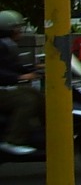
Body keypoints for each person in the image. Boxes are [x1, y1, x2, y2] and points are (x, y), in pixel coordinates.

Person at [0, 11, 45, 155]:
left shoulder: (7, 44)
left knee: (37, 95)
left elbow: (12, 65)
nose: (20, 30)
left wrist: (35, 68)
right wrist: (18, 77)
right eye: (17, 27)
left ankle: (48, 132)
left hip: (5, 87)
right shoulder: (2, 45)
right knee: (27, 100)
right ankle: (12, 140)